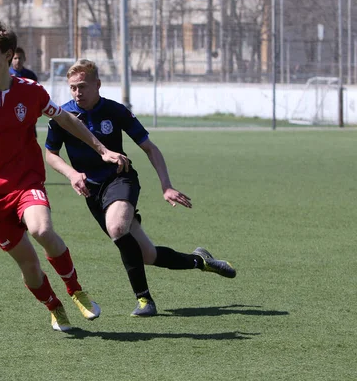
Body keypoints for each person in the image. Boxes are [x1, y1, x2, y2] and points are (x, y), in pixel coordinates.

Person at [0, 24, 130, 331]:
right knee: (29, 264)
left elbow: (65, 119)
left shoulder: (30, 91)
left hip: (26, 182)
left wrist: (101, 148)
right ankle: (54, 306)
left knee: (41, 230)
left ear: (9, 55)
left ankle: (75, 289)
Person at [44, 59, 236, 317]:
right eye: (73, 88)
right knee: (147, 254)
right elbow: (51, 154)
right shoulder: (63, 116)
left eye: (83, 86)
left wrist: (166, 186)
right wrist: (71, 173)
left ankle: (145, 300)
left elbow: (149, 148)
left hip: (120, 179)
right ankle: (200, 261)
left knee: (116, 228)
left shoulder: (115, 110)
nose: (78, 93)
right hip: (92, 192)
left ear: (97, 85)